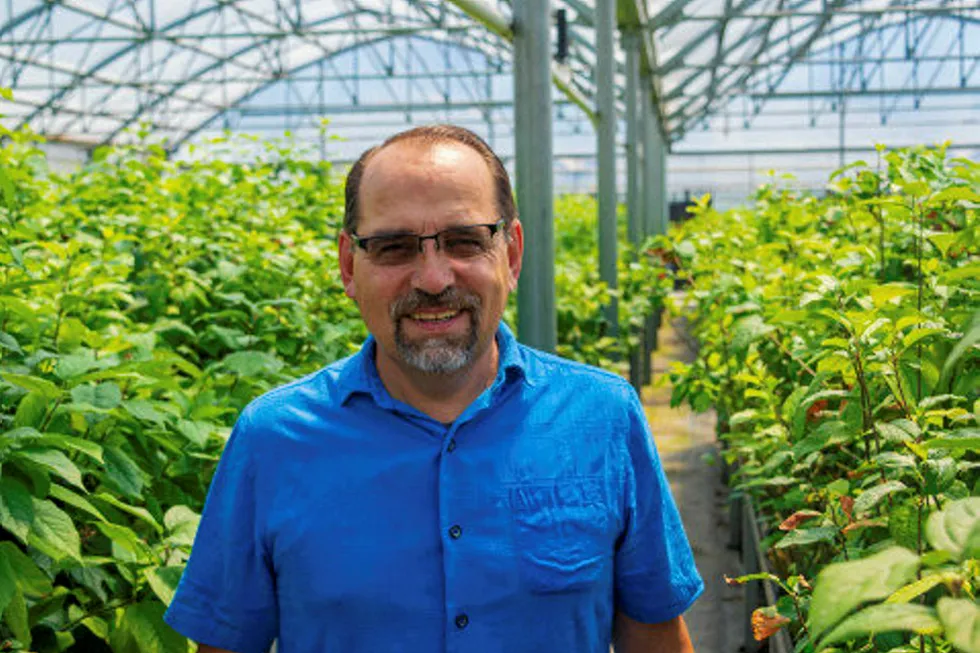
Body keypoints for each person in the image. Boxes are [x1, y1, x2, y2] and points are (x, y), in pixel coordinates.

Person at [164, 124, 703, 653]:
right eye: (394, 247)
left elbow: (655, 638)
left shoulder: (602, 418)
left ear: (512, 255)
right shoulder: (273, 440)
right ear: (349, 266)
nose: (433, 279)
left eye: (465, 241)